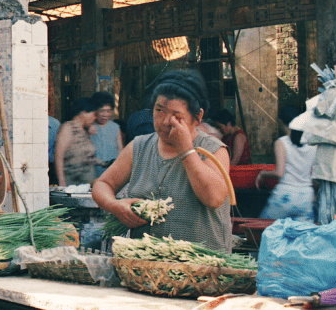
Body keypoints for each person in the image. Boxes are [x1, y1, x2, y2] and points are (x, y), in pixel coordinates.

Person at [93, 70, 232, 252]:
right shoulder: (139, 147)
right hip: (149, 266)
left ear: (197, 117)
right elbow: (102, 184)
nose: (165, 121)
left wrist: (186, 150)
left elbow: (214, 199)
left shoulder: (214, 149)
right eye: (159, 110)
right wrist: (115, 206)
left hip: (201, 267)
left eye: (177, 115)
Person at [257, 105, 316, 222]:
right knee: (302, 236)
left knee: (262, 230)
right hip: (306, 197)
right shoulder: (312, 143)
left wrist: (262, 174)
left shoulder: (281, 142)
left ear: (281, 122)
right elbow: (314, 173)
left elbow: (279, 172)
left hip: (285, 196)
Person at [54, 97, 101, 187]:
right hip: (71, 183)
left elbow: (88, 157)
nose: (95, 118)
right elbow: (58, 155)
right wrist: (61, 181)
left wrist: (106, 163)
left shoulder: (85, 131)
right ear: (84, 113)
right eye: (93, 114)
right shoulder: (68, 128)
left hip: (87, 184)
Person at [90, 92, 124, 177]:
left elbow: (120, 149)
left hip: (112, 170)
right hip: (93, 171)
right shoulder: (90, 127)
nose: (105, 115)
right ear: (95, 110)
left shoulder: (115, 127)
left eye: (108, 111)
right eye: (102, 111)